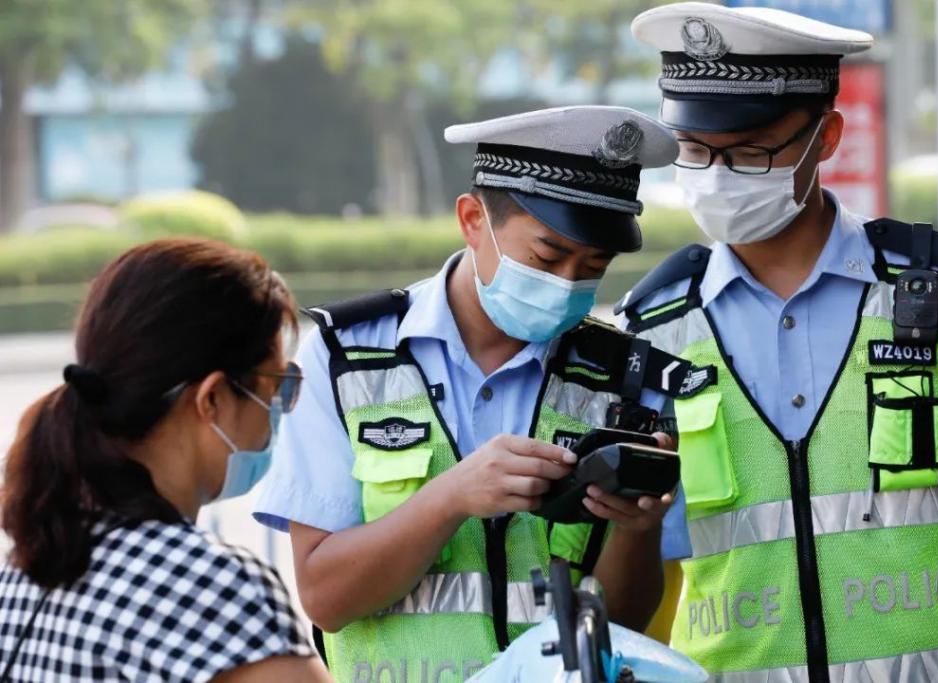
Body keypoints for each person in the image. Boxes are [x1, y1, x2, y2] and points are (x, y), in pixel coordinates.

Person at [617, 2, 938, 681]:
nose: (716, 175)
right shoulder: (655, 327)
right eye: (694, 152)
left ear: (825, 137)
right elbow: (643, 564)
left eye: (749, 152)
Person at [253, 105, 693, 682]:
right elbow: (327, 599)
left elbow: (624, 629)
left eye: (593, 266)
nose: (567, 284)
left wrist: (638, 531)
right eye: (546, 256)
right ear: (472, 219)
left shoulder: (629, 380)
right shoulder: (345, 362)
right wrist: (450, 497)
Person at [0, 239, 331, 683]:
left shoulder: (30, 569)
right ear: (212, 398)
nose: (281, 409)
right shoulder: (208, 589)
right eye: (279, 387)